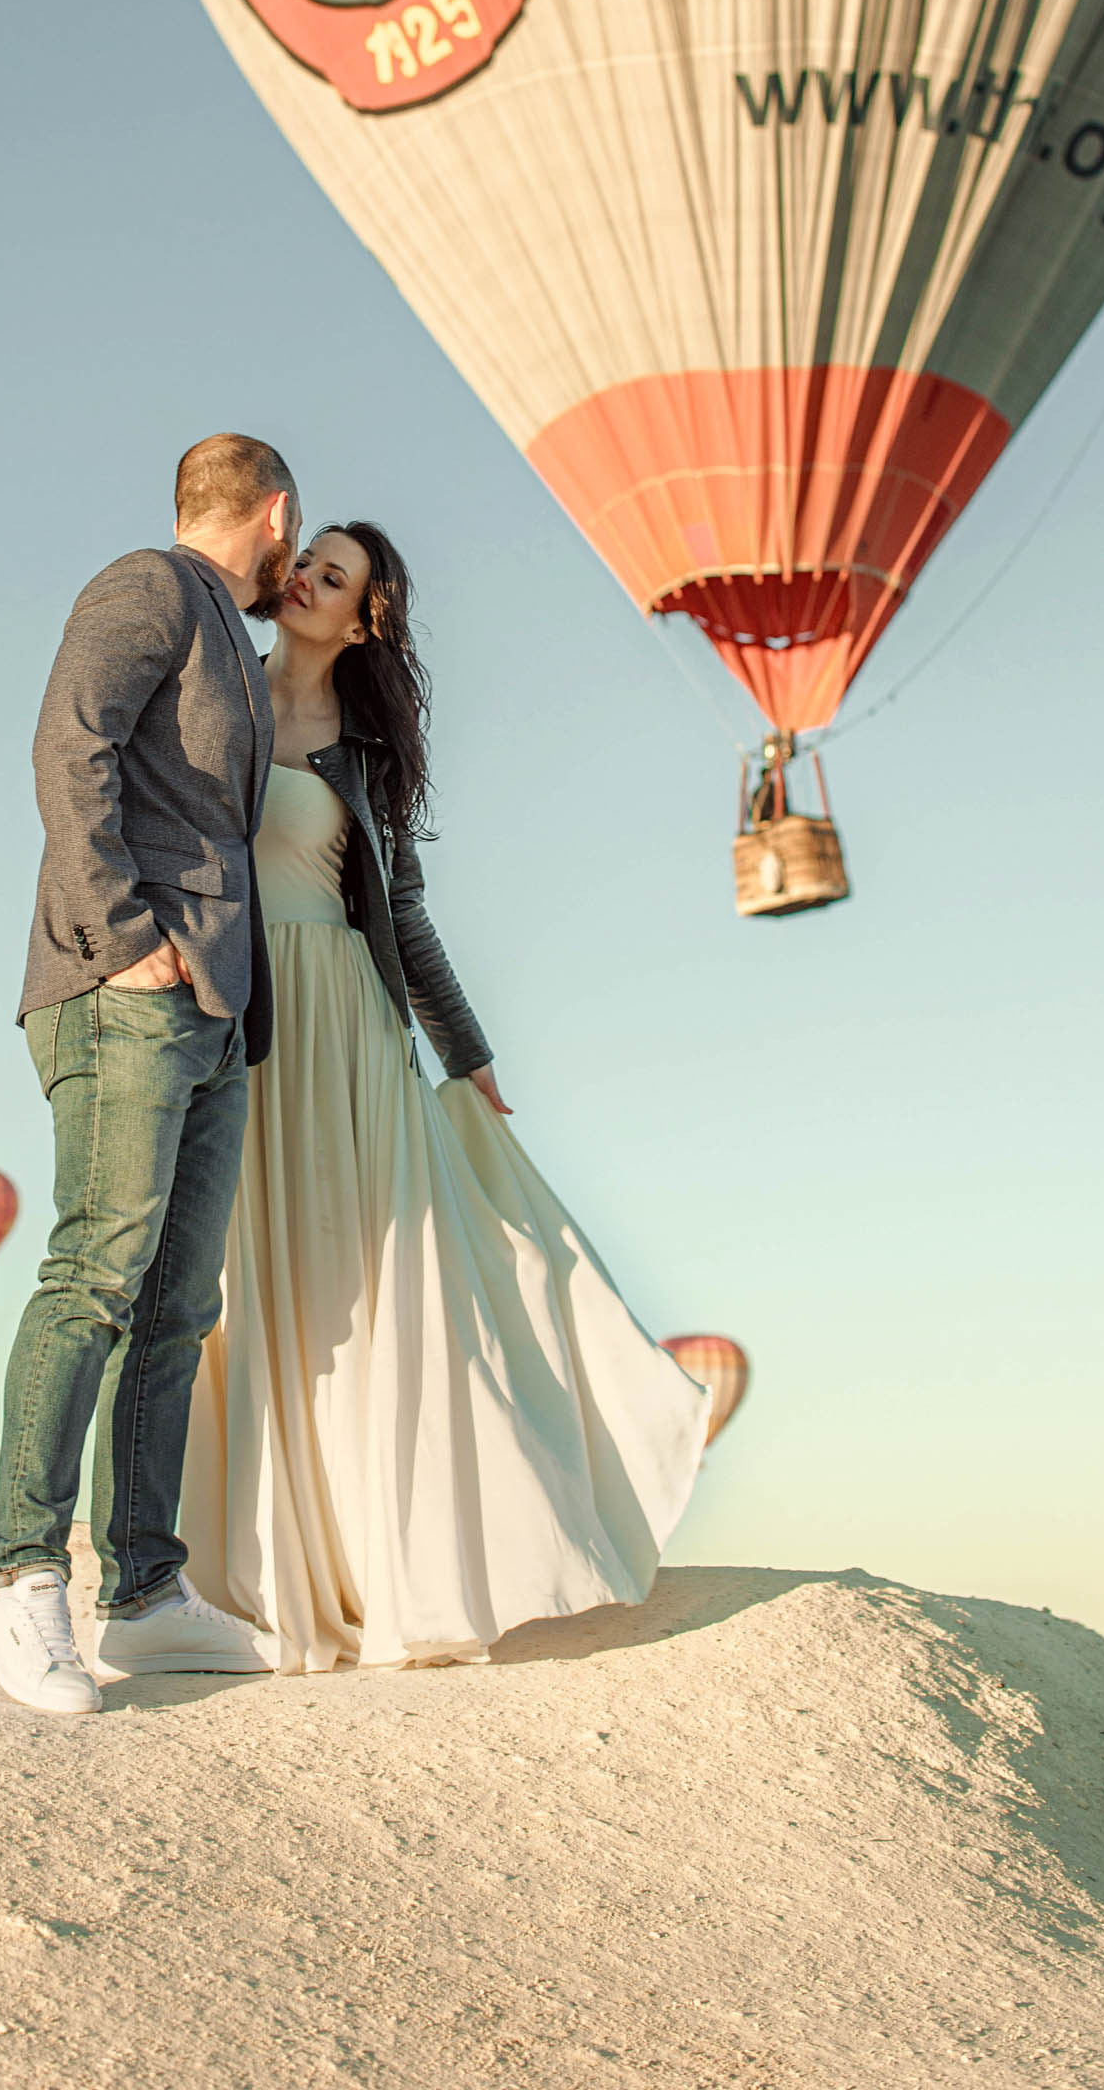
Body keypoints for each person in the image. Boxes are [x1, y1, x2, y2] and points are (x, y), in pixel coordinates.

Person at [182, 520, 710, 1672]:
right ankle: (268, 1576)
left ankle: (390, 1569)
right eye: (304, 556)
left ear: (365, 614)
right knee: (259, 1291)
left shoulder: (367, 751)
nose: (309, 573)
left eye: (336, 570)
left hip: (352, 1034)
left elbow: (401, 914)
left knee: (374, 1293)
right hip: (245, 1025)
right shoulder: (215, 688)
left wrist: (465, 1051)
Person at [0, 433, 301, 1716]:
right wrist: (124, 934)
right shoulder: (148, 588)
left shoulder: (232, 629)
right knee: (96, 1272)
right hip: (127, 985)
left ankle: (144, 1594)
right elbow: (68, 747)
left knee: (178, 1305)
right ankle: (20, 1580)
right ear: (277, 512)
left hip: (216, 1003)